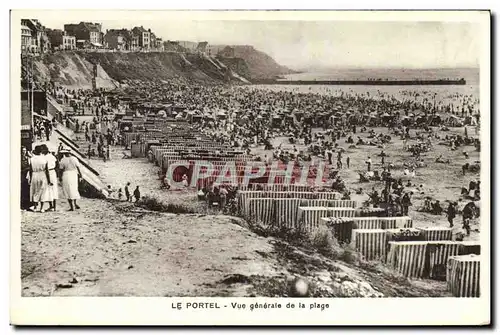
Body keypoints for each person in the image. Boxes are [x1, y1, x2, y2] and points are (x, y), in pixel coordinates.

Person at [29, 145, 52, 212]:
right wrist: (49, 180)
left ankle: (35, 207)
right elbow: (47, 170)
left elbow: (30, 170)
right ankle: (42, 208)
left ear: (35, 151)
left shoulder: (32, 159)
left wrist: (30, 179)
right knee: (43, 191)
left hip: (34, 175)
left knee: (35, 190)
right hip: (42, 175)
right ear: (41, 151)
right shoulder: (44, 159)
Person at [42, 145, 59, 211]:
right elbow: (57, 164)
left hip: (48, 172)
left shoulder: (44, 157)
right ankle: (54, 207)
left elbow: (45, 168)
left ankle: (51, 206)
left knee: (49, 189)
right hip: (53, 172)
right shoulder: (52, 156)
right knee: (54, 189)